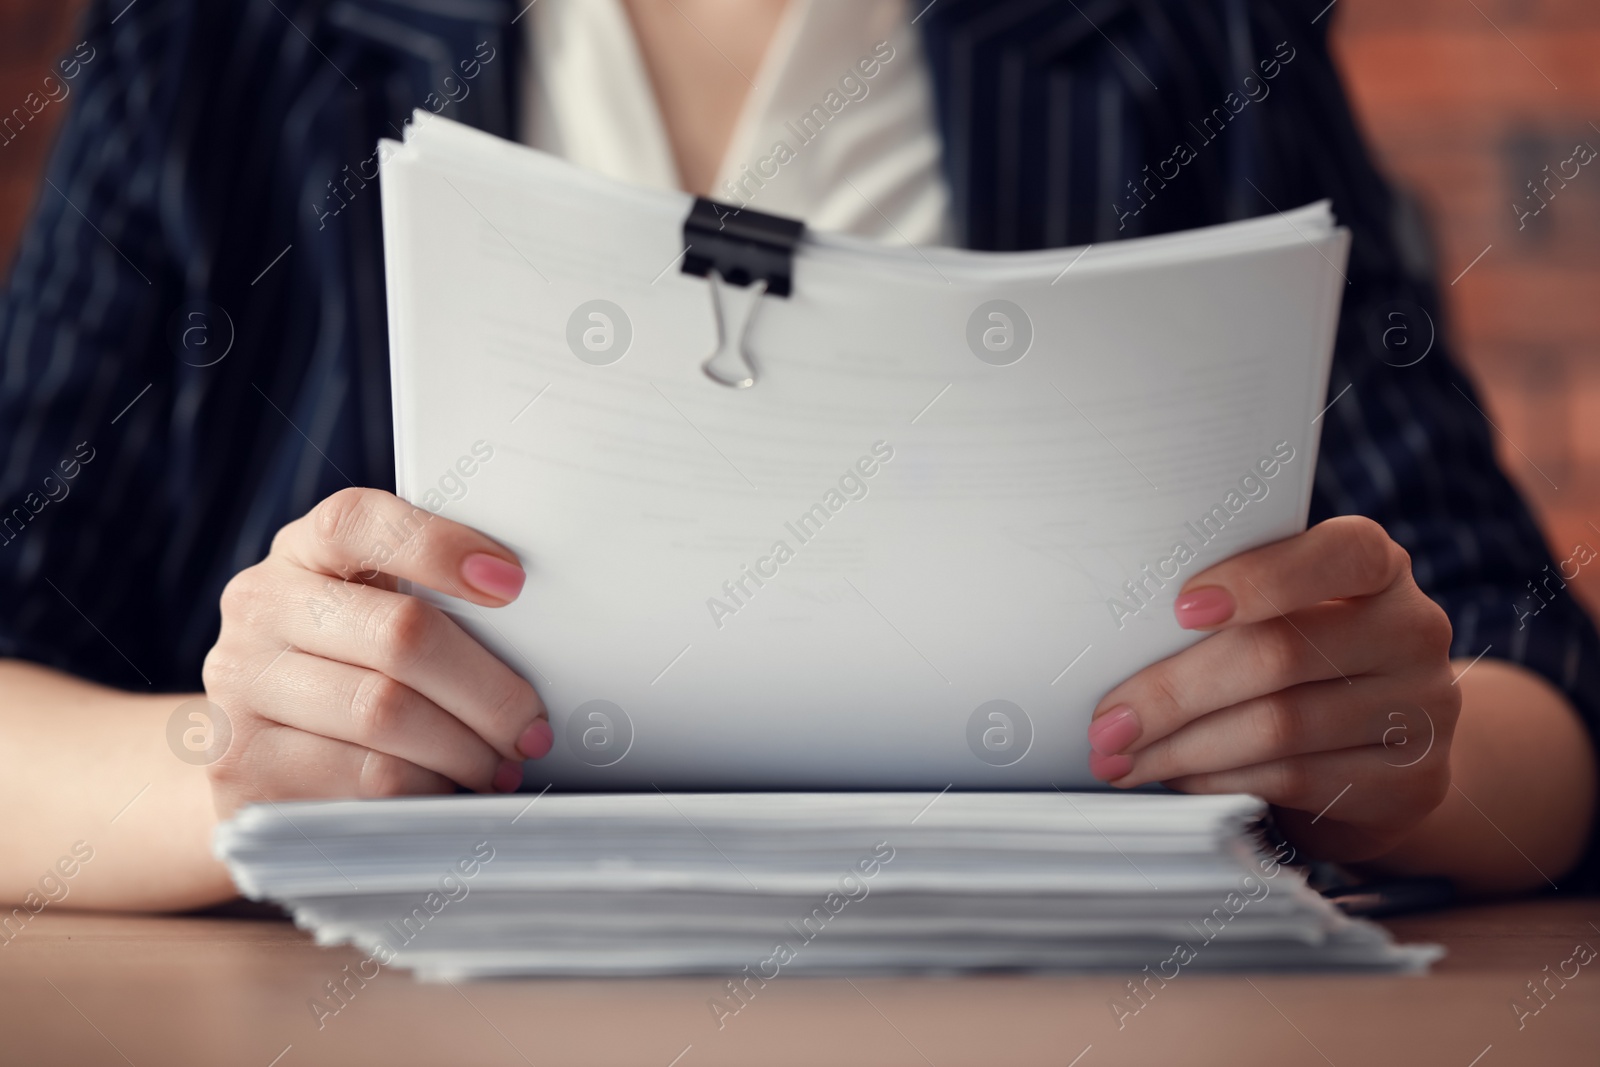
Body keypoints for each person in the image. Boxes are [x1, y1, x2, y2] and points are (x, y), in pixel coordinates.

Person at [0, 0, 1595, 913]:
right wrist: (229, 776)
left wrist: (1405, 754)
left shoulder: (1190, 33)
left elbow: (1538, 687)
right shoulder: (219, 40)